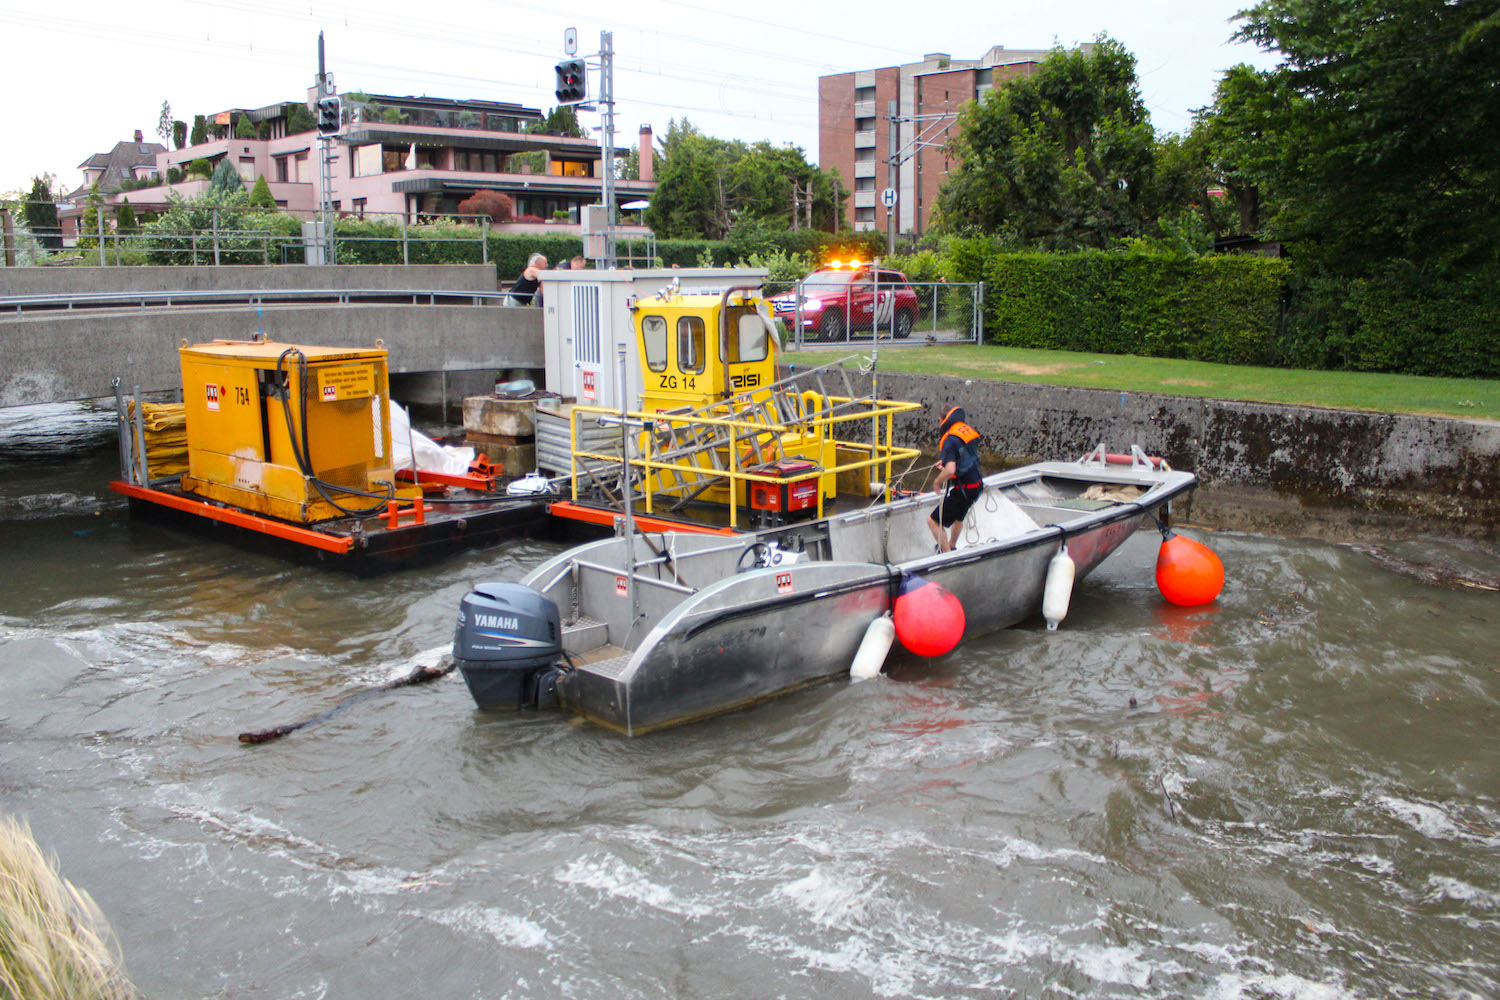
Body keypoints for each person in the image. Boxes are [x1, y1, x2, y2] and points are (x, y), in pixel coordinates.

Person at [927, 405, 984, 553]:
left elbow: (951, 469)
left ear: (942, 420)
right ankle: (951, 546)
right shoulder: (964, 431)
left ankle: (947, 555)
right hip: (976, 484)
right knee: (959, 517)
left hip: (963, 489)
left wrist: (937, 481)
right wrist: (946, 462)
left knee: (933, 521)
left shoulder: (949, 440)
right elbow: (964, 457)